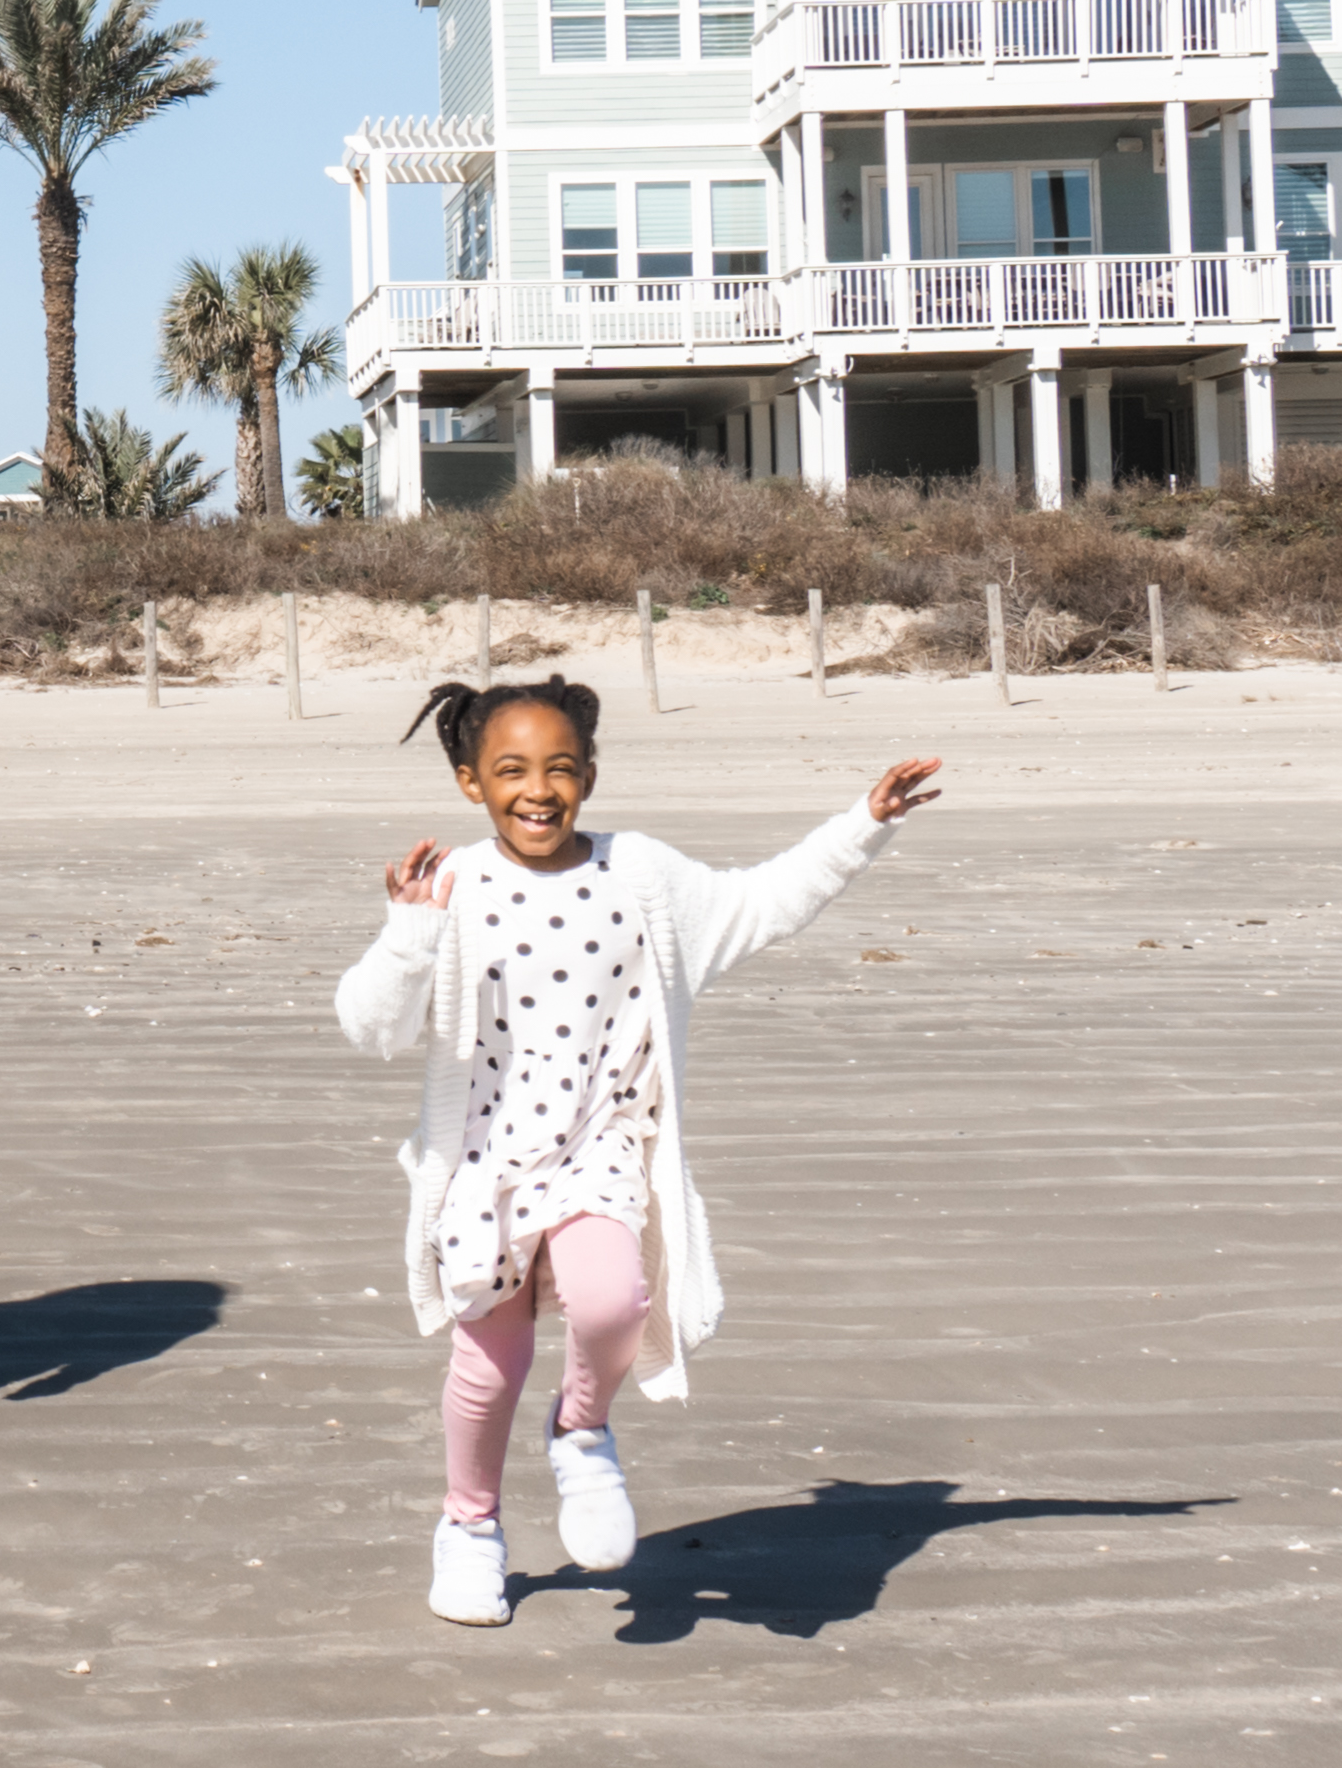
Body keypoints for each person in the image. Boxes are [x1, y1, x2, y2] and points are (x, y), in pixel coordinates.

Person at [335, 674, 943, 1626]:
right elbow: (371, 1026)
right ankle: (470, 1529)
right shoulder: (449, 886)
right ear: (469, 783)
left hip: (603, 1149)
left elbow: (761, 904)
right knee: (487, 1371)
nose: (539, 790)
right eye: (511, 771)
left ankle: (581, 1433)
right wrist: (407, 936)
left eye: (561, 769)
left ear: (588, 774)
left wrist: (861, 825)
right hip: (485, 1167)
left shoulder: (641, 876)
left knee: (615, 1302)